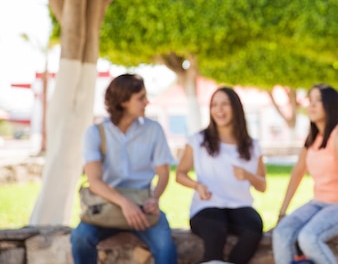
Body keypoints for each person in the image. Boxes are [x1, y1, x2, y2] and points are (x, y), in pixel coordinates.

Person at [71, 73, 177, 264]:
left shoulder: (154, 130)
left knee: (165, 246)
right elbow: (94, 181)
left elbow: (163, 172)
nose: (147, 102)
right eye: (141, 98)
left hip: (144, 205)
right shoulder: (95, 133)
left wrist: (155, 197)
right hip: (107, 204)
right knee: (80, 238)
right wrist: (125, 204)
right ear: (123, 101)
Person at [176, 87, 266, 264]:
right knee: (216, 232)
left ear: (236, 108)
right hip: (207, 206)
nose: (219, 110)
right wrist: (197, 186)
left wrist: (249, 175)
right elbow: (180, 174)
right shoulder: (198, 140)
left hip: (239, 206)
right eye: (214, 105)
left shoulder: (251, 145)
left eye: (225, 104)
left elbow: (262, 186)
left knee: (254, 228)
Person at [272, 84, 338, 264]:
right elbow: (297, 173)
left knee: (308, 237)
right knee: (281, 232)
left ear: (330, 105)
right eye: (309, 100)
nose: (311, 106)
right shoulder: (312, 138)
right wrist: (282, 212)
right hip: (317, 203)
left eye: (317, 101)